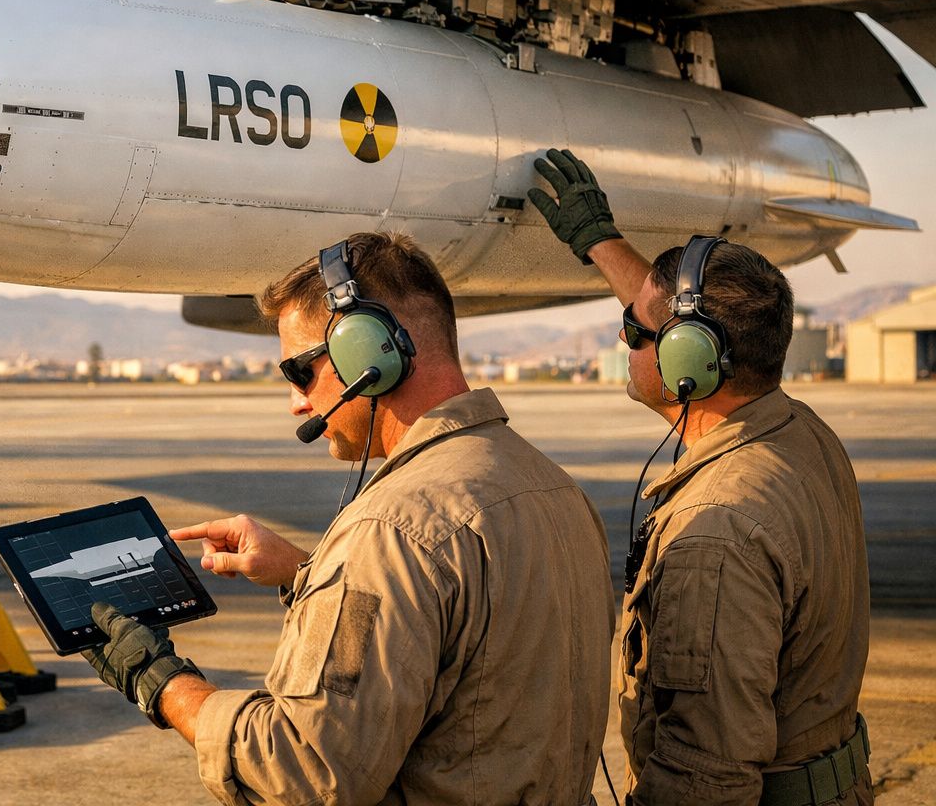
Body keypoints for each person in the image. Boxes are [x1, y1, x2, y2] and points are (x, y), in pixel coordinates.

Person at [83, 231, 615, 805]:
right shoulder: (552, 487)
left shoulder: (392, 530)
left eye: (299, 372)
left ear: (369, 354)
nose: (296, 402)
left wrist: (161, 682)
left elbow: (306, 774)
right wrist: (306, 573)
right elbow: (471, 643)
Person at [528, 148, 873, 806]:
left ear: (693, 363)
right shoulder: (803, 436)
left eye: (636, 330)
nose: (623, 336)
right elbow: (676, 319)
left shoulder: (717, 535)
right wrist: (599, 240)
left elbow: (706, 772)